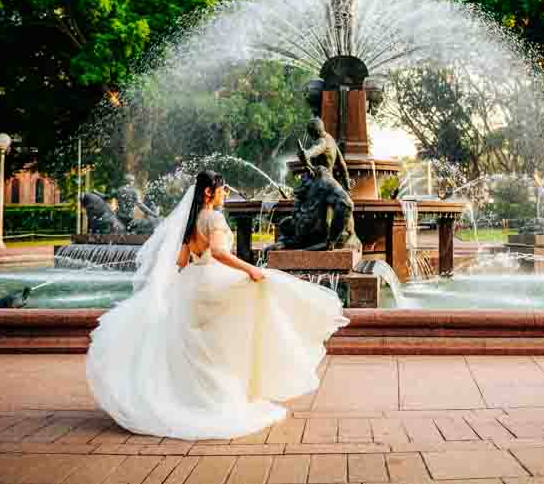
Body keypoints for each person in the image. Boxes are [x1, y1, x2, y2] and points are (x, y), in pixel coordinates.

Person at [86, 170, 349, 440]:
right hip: (212, 281)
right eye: (223, 189)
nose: (226, 194)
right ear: (209, 192)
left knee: (199, 345)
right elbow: (220, 253)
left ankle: (196, 397)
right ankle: (224, 395)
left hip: (191, 283)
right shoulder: (213, 218)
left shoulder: (190, 221)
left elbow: (181, 260)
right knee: (252, 306)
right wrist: (250, 269)